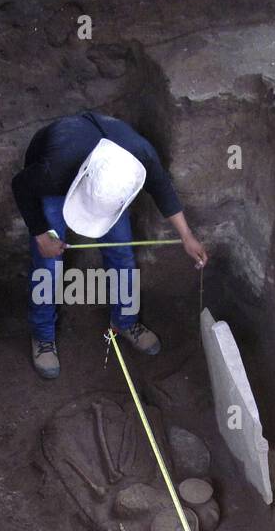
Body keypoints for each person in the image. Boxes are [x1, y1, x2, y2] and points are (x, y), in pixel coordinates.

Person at [11, 111, 208, 379]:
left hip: (103, 181)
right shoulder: (53, 169)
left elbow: (162, 188)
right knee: (48, 264)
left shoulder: (138, 160)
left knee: (122, 254)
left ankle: (125, 321)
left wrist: (186, 235)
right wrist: (41, 234)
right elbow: (21, 186)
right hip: (57, 181)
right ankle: (43, 335)